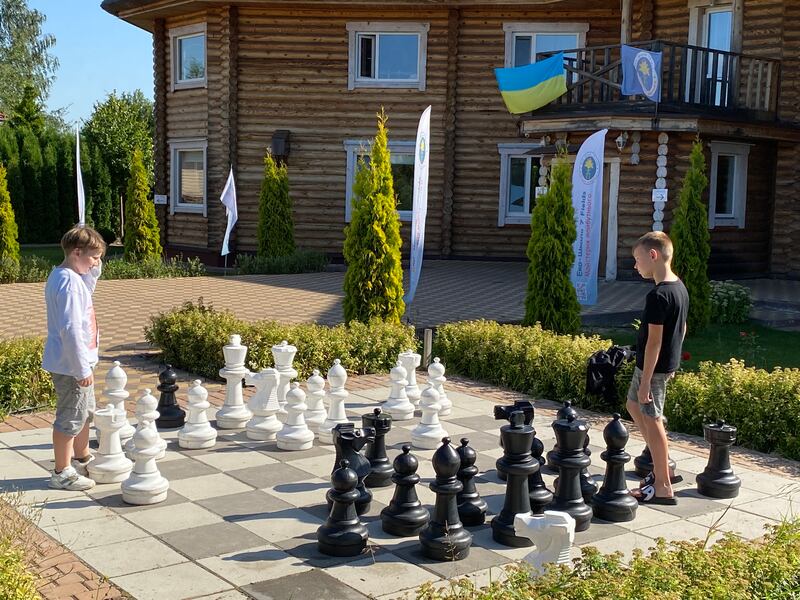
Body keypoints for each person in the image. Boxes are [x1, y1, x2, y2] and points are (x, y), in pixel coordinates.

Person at [627, 231, 688, 505]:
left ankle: (662, 485)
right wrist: (674, 361)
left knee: (652, 419)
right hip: (658, 366)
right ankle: (663, 464)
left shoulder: (658, 295)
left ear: (653, 255)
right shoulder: (679, 287)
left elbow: (654, 342)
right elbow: (682, 328)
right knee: (632, 405)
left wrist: (646, 382)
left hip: (652, 369)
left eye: (638, 259)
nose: (635, 265)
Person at [43, 226, 105, 490]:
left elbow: (86, 291)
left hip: (74, 362)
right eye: (94, 258)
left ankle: (82, 457)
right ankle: (62, 472)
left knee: (84, 413)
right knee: (70, 417)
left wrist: (94, 270)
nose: (96, 263)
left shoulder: (65, 276)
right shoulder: (69, 283)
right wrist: (81, 369)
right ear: (77, 252)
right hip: (71, 366)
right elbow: (70, 329)